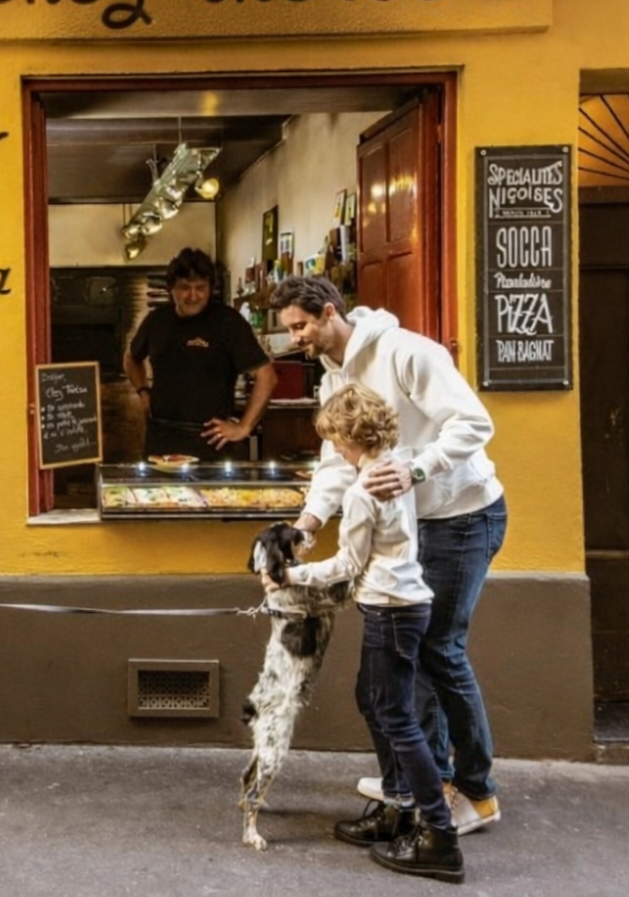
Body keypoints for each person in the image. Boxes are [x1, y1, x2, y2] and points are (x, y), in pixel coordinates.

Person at [270, 275, 507, 836]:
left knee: (439, 653)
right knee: (410, 662)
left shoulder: (407, 352)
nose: (295, 339)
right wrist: (302, 528)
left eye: (300, 326)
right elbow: (336, 463)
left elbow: (476, 422)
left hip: (463, 517)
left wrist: (415, 468)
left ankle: (476, 791)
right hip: (415, 525)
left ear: (329, 313)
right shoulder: (332, 381)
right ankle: (423, 780)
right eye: (290, 330)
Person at [265, 383, 462, 882]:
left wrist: (288, 576)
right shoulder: (394, 474)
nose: (333, 447)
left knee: (396, 715)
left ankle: (438, 834)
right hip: (404, 604)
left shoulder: (360, 492)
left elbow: (347, 565)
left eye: (335, 439)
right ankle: (397, 809)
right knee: (374, 700)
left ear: (349, 438)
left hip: (390, 609)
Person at [123, 247, 277, 461]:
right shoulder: (156, 321)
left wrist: (243, 427)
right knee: (157, 495)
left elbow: (266, 376)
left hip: (210, 439)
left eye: (200, 288)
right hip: (161, 435)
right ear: (171, 289)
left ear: (210, 288)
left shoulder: (228, 322)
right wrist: (142, 391)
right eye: (185, 287)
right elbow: (131, 358)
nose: (193, 295)